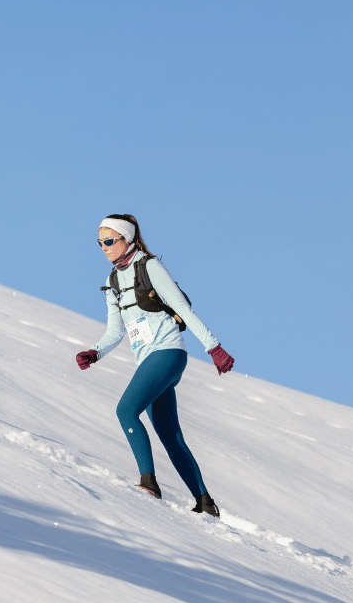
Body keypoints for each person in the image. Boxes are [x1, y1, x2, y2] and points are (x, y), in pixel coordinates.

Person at [75, 214, 234, 517]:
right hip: (149, 360)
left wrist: (213, 347)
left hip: (167, 353)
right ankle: (205, 502)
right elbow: (115, 331)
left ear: (126, 239)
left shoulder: (149, 267)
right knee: (169, 434)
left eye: (109, 240)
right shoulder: (112, 282)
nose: (104, 247)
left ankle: (149, 482)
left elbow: (182, 308)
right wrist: (95, 352)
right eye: (99, 243)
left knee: (125, 410)